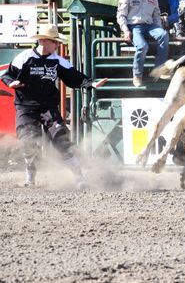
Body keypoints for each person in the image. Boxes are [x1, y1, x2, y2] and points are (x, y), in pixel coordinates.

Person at [0, 24, 108, 189]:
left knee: (60, 138)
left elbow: (74, 76)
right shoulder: (25, 57)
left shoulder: (57, 61)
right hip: (25, 107)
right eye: (54, 42)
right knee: (28, 141)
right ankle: (30, 177)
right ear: (43, 41)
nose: (57, 45)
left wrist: (91, 83)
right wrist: (12, 82)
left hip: (48, 107)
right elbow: (7, 74)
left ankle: (79, 178)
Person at [116, 0, 169, 87]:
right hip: (134, 26)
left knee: (164, 35)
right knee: (142, 46)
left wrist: (158, 27)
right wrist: (125, 30)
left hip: (149, 26)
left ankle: (159, 69)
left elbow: (156, 15)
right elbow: (121, 15)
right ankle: (137, 74)